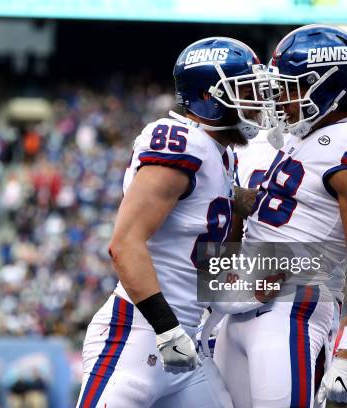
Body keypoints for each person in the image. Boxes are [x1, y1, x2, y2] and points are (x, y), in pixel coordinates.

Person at [76, 37, 276, 408]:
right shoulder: (180, 141)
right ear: (209, 96)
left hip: (188, 345)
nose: (256, 103)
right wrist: (166, 328)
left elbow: (209, 256)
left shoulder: (221, 155)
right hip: (139, 336)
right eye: (246, 91)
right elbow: (124, 243)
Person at [212, 24, 347, 407]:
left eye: (291, 86)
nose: (279, 98)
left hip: (292, 310)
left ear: (327, 85)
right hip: (234, 312)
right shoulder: (283, 141)